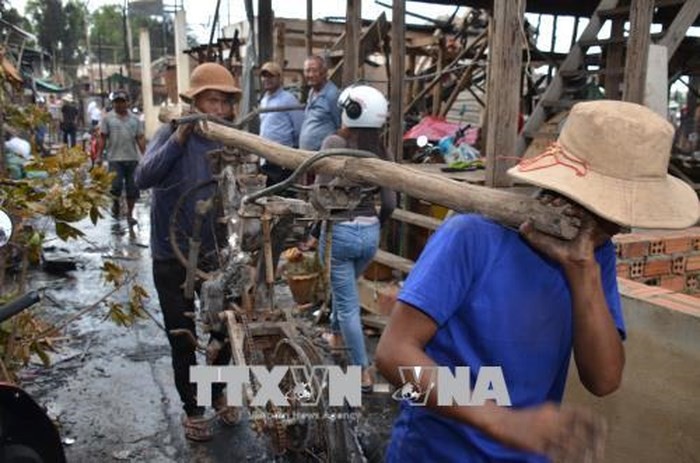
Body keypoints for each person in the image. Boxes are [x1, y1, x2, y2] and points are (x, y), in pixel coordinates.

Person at [375, 100, 700, 462]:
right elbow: (394, 354)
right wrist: (500, 420)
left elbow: (604, 380)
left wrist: (584, 274)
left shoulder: (594, 254)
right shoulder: (473, 236)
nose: (623, 225)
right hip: (437, 453)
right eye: (619, 212)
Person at [134, 62, 242, 442]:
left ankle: (219, 393)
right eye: (211, 100)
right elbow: (143, 177)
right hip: (172, 254)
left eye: (223, 102)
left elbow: (241, 189)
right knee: (182, 336)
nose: (217, 109)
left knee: (224, 330)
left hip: (213, 254)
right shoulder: (170, 134)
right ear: (195, 101)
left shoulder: (229, 138)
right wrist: (178, 139)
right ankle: (192, 408)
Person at [315, 85, 396, 392]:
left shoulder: (334, 142)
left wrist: (314, 233)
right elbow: (390, 203)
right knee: (345, 288)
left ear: (349, 111)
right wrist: (375, 224)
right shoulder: (381, 150)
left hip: (341, 231)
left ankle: (362, 371)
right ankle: (335, 336)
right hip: (369, 234)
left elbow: (321, 196)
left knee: (348, 304)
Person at [96, 90, 146, 225]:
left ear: (127, 103)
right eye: (116, 102)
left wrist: (146, 156)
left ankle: (130, 214)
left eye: (122, 102)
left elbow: (140, 138)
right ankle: (116, 203)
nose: (119, 105)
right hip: (114, 159)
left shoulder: (135, 120)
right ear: (113, 103)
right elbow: (103, 138)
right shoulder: (107, 119)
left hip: (132, 159)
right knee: (115, 186)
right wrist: (99, 156)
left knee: (132, 188)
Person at [258, 61, 304, 186]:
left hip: (282, 158)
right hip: (266, 157)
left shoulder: (289, 99)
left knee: (284, 194)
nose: (267, 79)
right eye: (264, 76)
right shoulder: (264, 100)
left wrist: (291, 152)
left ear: (279, 78)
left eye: (271, 76)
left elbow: (299, 128)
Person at [298, 55, 341, 152]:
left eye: (314, 70)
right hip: (306, 155)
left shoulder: (332, 95)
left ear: (324, 72)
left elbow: (340, 127)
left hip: (321, 156)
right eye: (307, 71)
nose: (310, 75)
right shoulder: (311, 92)